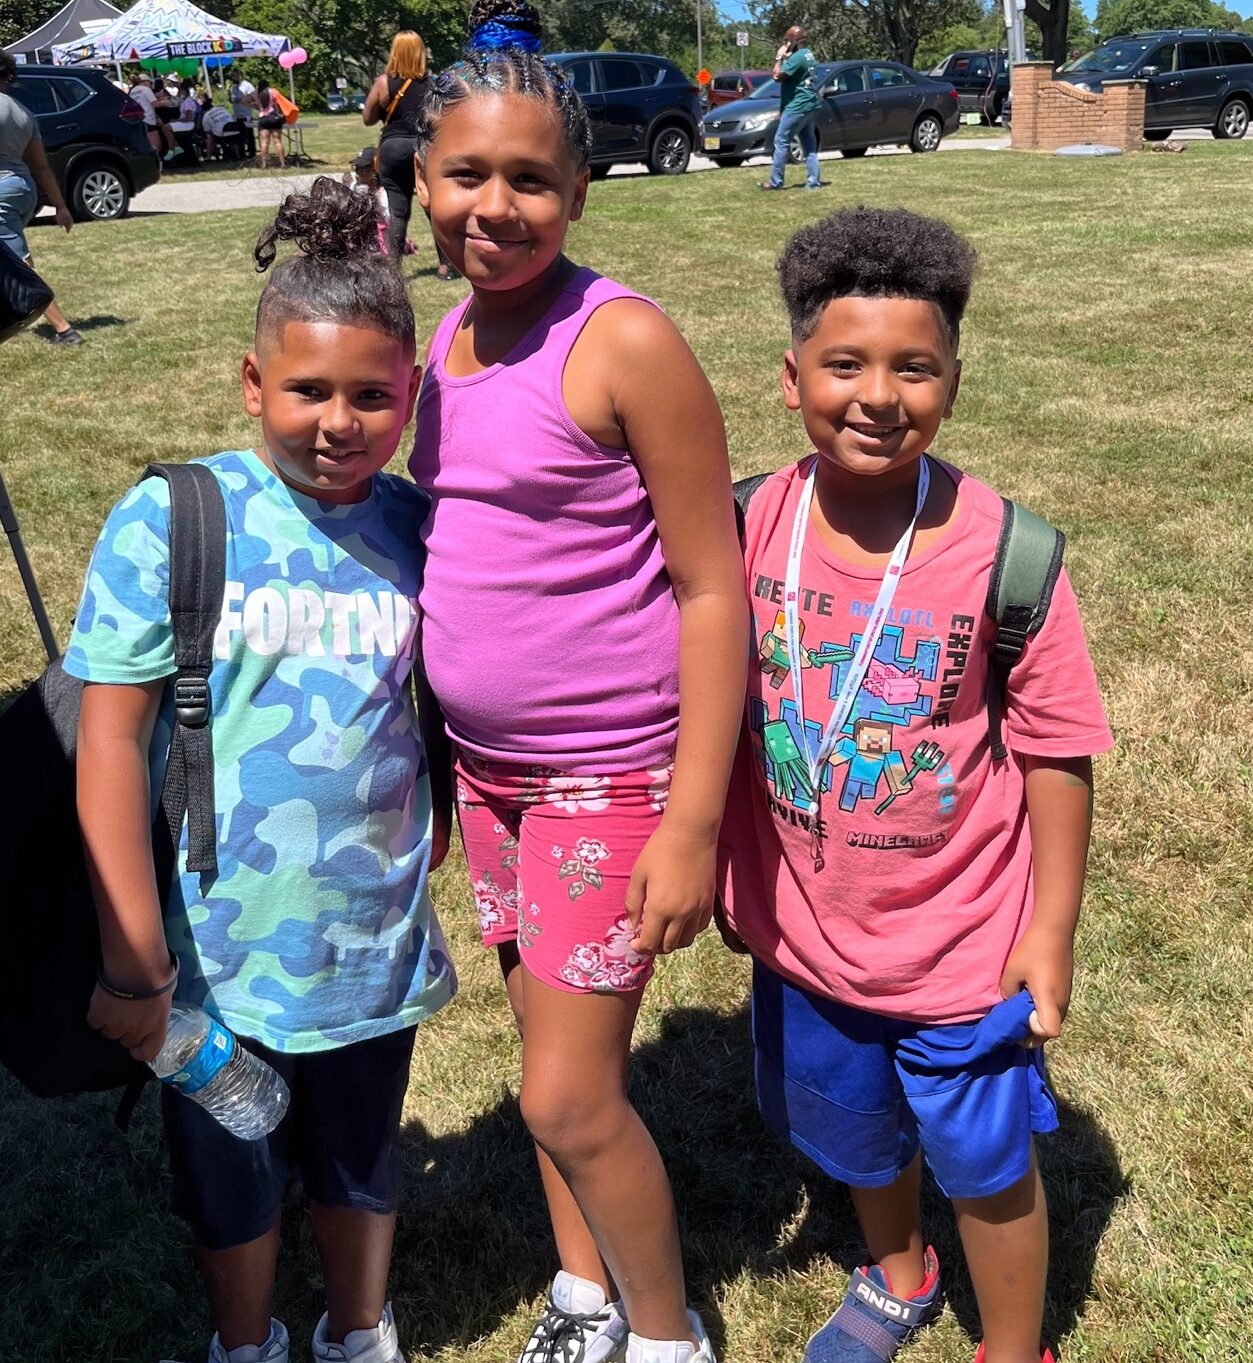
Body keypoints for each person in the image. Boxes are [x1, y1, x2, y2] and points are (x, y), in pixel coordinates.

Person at [65, 177, 456, 1363]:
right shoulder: (173, 520)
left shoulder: (419, 526)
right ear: (252, 385)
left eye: (369, 395)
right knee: (228, 1177)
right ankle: (246, 1343)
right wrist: (135, 958)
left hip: (370, 942)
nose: (337, 421)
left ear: (409, 398)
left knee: (357, 1158)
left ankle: (357, 1327)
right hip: (211, 958)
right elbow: (109, 741)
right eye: (306, 390)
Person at [409, 9, 748, 1361]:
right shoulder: (440, 346)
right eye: (467, 175)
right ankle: (582, 1287)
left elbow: (710, 587)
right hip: (491, 779)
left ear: (579, 189)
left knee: (565, 1093)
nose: (497, 206)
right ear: (419, 179)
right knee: (550, 1058)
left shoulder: (622, 344)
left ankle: (666, 1331)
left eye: (531, 180)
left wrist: (692, 819)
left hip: (612, 777)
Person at [718, 206, 1114, 1363]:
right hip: (805, 937)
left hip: (961, 946)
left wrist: (1049, 928)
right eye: (843, 364)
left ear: (952, 380)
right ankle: (897, 1272)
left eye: (913, 367)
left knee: (987, 1164)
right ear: (790, 378)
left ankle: (1009, 1345)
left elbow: (1053, 746)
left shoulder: (1005, 552)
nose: (876, 394)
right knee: (849, 1136)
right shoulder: (743, 521)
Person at [0, 52, 83, 345]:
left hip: (1, 196)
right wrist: (60, 206)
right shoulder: (22, 112)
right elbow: (41, 166)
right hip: (23, 189)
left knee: (18, 266)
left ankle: (64, 330)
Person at [362, 30, 429, 258]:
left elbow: (368, 118)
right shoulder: (433, 83)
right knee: (434, 208)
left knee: (398, 210)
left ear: (395, 53)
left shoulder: (383, 83)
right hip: (424, 147)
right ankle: (445, 266)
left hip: (394, 147)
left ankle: (393, 266)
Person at [759, 25, 821, 192]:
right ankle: (813, 183)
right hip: (811, 104)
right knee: (809, 144)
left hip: (798, 106)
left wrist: (779, 57)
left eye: (787, 41)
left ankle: (776, 182)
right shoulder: (809, 55)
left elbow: (777, 77)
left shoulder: (797, 58)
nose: (785, 43)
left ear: (794, 41)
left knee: (781, 141)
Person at [128, 72, 177, 161]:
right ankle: (155, 164)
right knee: (156, 145)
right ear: (145, 81)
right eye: (150, 83)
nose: (151, 85)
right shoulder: (146, 89)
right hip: (148, 119)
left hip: (138, 120)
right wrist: (166, 103)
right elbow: (155, 104)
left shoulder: (133, 91)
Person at [228, 68, 258, 158]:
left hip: (246, 114)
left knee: (249, 134)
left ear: (240, 75)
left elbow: (253, 97)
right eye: (232, 76)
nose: (234, 78)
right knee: (239, 134)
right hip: (237, 114)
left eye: (235, 75)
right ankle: (241, 153)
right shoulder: (233, 88)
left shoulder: (247, 85)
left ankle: (252, 152)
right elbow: (232, 99)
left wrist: (241, 99)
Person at [255, 80, 286, 169]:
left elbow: (245, 100)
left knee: (264, 143)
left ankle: (264, 163)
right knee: (277, 142)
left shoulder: (256, 93)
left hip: (263, 118)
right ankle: (282, 163)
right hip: (274, 118)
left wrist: (255, 106)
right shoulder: (273, 91)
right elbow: (281, 102)